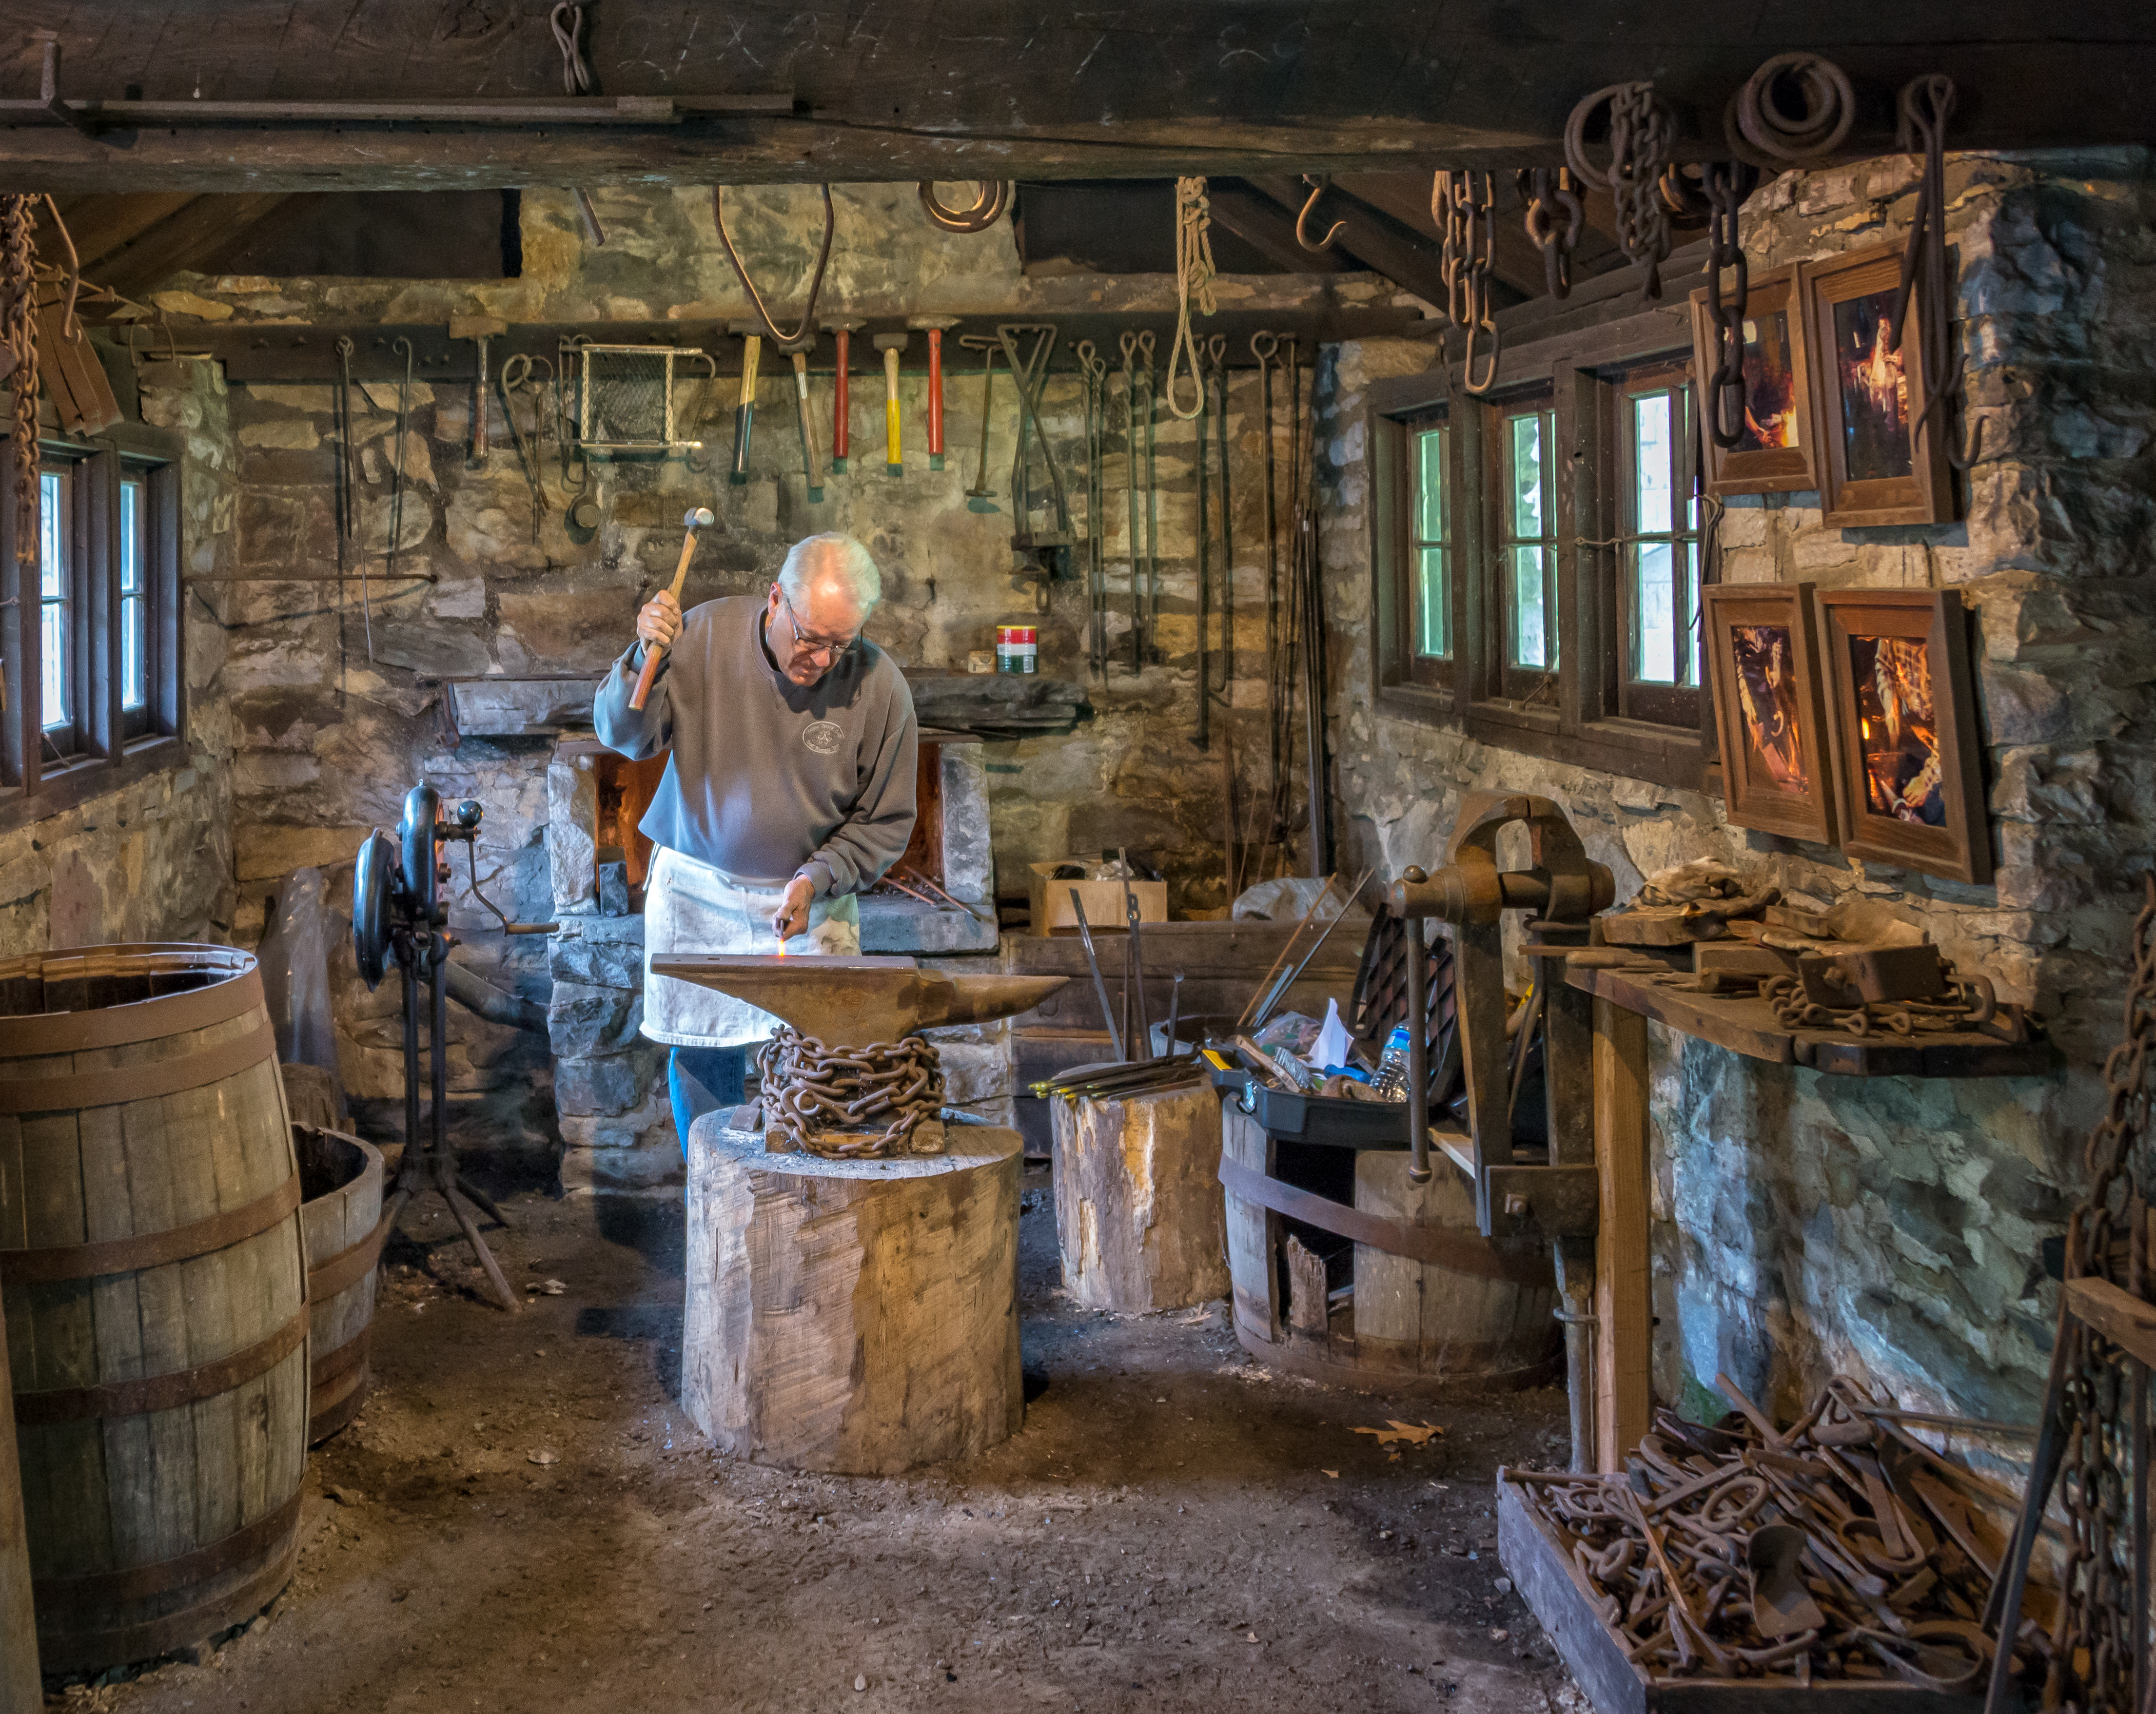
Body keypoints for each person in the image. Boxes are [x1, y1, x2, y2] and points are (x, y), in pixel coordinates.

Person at [593, 532, 918, 1153]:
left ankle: (806, 1196)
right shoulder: (701, 636)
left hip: (810, 895)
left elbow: (884, 822)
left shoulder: (881, 687)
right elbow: (624, 737)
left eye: (840, 645)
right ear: (775, 600)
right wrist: (644, 656)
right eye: (811, 638)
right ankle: (711, 1190)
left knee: (823, 1064)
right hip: (697, 887)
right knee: (702, 1053)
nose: (822, 660)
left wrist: (817, 877)